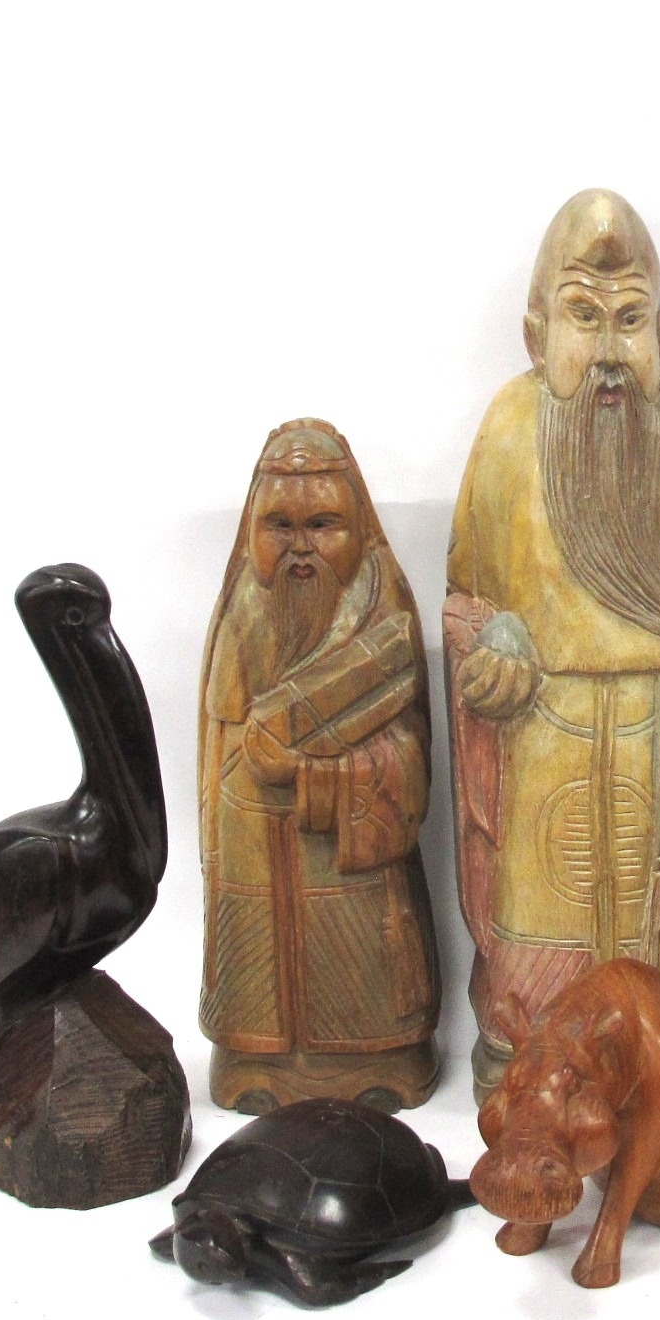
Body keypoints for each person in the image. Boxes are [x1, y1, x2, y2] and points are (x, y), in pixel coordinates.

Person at [446, 190, 660, 1097]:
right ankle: (535, 1062)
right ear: (536, 334)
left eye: (631, 320)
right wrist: (493, 641)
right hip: (544, 742)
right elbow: (465, 602)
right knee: (541, 968)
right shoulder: (507, 434)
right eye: (585, 317)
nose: (612, 351)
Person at [199, 418, 439, 1112]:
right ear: (253, 529)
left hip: (347, 855)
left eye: (322, 524)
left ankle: (377, 1054)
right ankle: (255, 1054)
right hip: (252, 845)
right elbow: (215, 749)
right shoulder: (241, 613)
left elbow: (411, 755)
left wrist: (318, 775)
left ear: (357, 528)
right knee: (256, 963)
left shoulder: (383, 611)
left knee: (360, 956)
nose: (300, 548)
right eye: (280, 526)